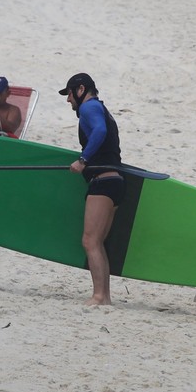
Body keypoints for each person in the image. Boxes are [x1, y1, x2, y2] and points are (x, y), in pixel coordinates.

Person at [59, 73, 125, 306]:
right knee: (97, 241)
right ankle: (104, 296)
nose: (68, 100)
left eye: (68, 93)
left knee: (90, 241)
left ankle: (99, 296)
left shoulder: (89, 108)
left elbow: (99, 132)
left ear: (80, 89)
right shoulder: (101, 109)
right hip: (114, 182)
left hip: (102, 182)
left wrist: (83, 159)